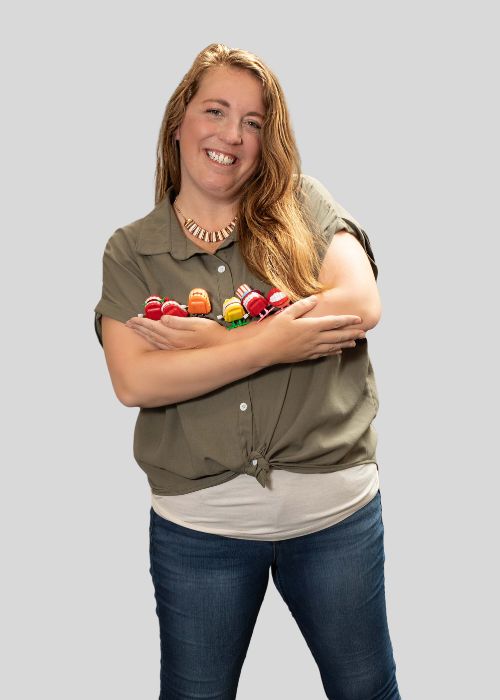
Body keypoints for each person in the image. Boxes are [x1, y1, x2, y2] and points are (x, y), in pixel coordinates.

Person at [94, 43, 401, 700]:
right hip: (199, 530)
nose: (233, 134)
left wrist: (212, 342)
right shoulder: (132, 251)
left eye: (254, 121)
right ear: (179, 121)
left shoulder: (305, 204)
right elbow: (135, 381)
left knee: (366, 690)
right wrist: (271, 342)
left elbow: (360, 305)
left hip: (336, 518)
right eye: (216, 110)